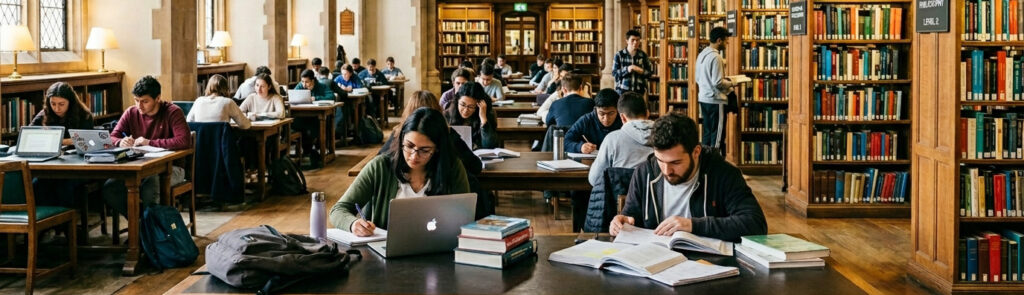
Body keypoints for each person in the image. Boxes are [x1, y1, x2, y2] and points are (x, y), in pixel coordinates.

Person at [609, 113, 767, 242]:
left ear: (696, 152)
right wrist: (622, 222)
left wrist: (693, 225)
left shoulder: (723, 174)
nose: (667, 170)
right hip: (656, 261)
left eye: (675, 162)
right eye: (660, 161)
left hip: (710, 264)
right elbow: (631, 216)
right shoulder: (645, 173)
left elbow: (755, 224)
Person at [330, 108, 471, 236]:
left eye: (424, 150)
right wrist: (353, 224)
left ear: (438, 149)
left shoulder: (452, 168)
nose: (414, 156)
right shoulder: (380, 167)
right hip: (385, 252)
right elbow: (339, 210)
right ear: (402, 139)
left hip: (439, 251)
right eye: (409, 146)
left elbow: (464, 215)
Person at [376, 91, 490, 218]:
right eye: (409, 146)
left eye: (425, 149)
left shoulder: (399, 133)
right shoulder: (447, 134)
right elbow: (475, 165)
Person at [104, 76, 190, 216]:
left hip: (170, 169)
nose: (139, 106)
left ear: (158, 98)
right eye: (136, 101)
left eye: (144, 101)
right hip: (139, 168)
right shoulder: (131, 112)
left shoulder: (173, 112)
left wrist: (150, 142)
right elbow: (113, 135)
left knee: (151, 185)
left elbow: (184, 141)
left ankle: (148, 230)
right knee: (110, 188)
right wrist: (120, 141)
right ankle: (140, 227)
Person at [584, 92, 654, 232]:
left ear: (622, 117)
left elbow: (594, 179)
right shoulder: (665, 137)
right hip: (655, 209)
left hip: (618, 213)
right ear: (647, 113)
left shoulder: (613, 139)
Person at [30, 82, 95, 207]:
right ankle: (45, 223)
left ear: (70, 102)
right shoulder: (44, 114)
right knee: (37, 184)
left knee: (64, 185)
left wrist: (59, 140)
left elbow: (89, 142)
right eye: (53, 104)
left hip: (80, 167)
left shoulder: (84, 116)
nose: (57, 108)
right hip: (52, 166)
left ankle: (66, 224)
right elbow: (30, 135)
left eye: (61, 104)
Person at [697, 27, 735, 152]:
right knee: (718, 136)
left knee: (707, 133)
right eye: (726, 40)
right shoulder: (716, 57)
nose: (727, 43)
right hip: (715, 101)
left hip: (704, 98)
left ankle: (706, 161)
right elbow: (717, 82)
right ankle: (715, 163)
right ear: (719, 41)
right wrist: (732, 82)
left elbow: (697, 78)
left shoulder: (702, 54)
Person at [564, 89, 623, 154]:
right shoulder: (586, 120)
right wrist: (580, 147)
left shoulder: (623, 120)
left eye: (611, 113)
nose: (606, 119)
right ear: (595, 109)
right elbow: (565, 142)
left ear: (618, 110)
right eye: (601, 113)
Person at [444, 81, 499, 149]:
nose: (466, 110)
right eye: (462, 104)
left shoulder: (486, 115)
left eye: (471, 106)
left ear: (478, 106)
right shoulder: (447, 115)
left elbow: (490, 145)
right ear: (457, 101)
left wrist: (483, 119)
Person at [187, 74, 251, 129]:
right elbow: (245, 125)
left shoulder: (198, 101)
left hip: (200, 142)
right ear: (226, 88)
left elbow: (189, 121)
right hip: (221, 142)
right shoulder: (228, 102)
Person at [612, 29, 654, 95]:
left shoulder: (643, 55)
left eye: (637, 40)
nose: (635, 42)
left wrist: (640, 70)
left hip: (639, 91)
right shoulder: (619, 55)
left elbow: (650, 73)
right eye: (633, 40)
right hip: (622, 91)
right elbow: (614, 73)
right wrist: (627, 69)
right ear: (627, 41)